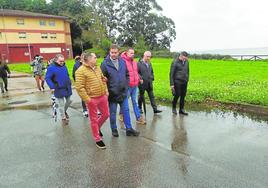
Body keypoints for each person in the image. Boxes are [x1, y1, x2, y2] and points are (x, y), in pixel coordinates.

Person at [101, 44, 140, 137]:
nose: (114, 54)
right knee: (113, 113)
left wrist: (126, 86)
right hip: (112, 93)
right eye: (112, 52)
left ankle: (129, 129)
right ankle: (114, 129)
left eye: (115, 52)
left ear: (118, 52)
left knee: (126, 110)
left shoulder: (122, 61)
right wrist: (107, 90)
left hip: (123, 92)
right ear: (109, 52)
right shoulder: (104, 63)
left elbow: (127, 74)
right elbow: (102, 79)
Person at [75, 52, 109, 149]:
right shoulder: (80, 71)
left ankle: (96, 128)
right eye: (94, 57)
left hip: (102, 96)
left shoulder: (97, 68)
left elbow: (103, 79)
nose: (96, 59)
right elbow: (79, 88)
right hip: (92, 99)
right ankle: (97, 139)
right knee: (93, 119)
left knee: (106, 114)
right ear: (88, 59)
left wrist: (106, 91)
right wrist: (88, 100)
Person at [118, 48, 146, 124]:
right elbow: (121, 74)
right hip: (127, 86)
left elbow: (136, 72)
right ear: (126, 53)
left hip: (135, 85)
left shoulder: (134, 62)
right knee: (125, 101)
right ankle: (121, 114)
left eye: (133, 53)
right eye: (131, 53)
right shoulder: (122, 62)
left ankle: (138, 117)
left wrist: (139, 78)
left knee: (135, 101)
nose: (133, 54)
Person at [45, 54, 72, 125]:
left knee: (69, 101)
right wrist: (52, 86)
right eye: (60, 61)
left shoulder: (64, 66)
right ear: (56, 60)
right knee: (61, 104)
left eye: (63, 61)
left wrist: (69, 81)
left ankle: (64, 111)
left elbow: (67, 75)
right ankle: (63, 118)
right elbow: (47, 78)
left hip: (67, 87)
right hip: (58, 88)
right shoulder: (51, 68)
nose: (62, 62)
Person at [169, 51, 189, 115]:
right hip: (177, 81)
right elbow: (171, 74)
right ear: (180, 56)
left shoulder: (186, 62)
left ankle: (181, 110)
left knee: (183, 95)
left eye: (186, 58)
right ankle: (174, 108)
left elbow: (188, 71)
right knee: (177, 95)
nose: (185, 59)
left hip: (184, 81)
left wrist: (187, 79)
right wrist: (172, 84)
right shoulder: (175, 62)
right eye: (184, 58)